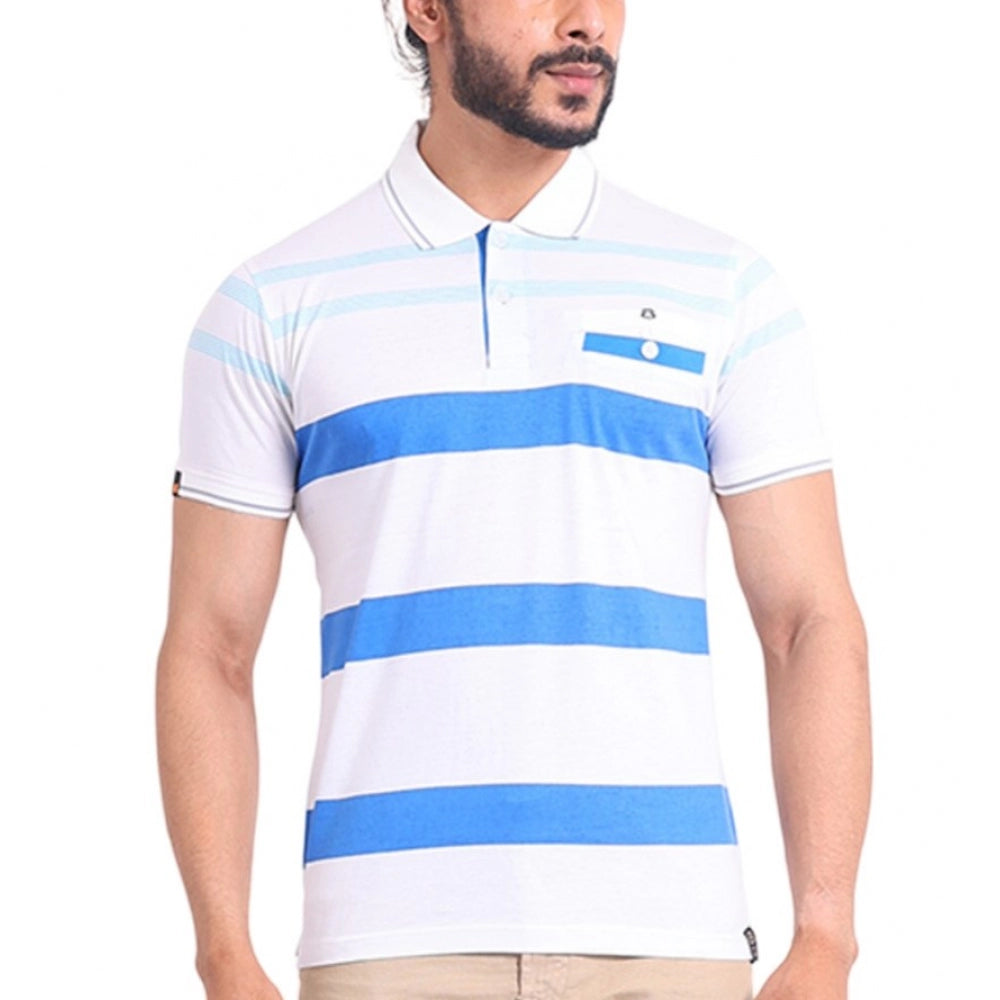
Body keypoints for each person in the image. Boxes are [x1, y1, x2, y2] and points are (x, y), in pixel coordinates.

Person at [156, 2, 872, 999]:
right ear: (426, 10)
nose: (588, 23)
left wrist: (826, 937)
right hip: (387, 944)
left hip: (668, 936)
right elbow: (211, 645)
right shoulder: (272, 302)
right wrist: (224, 954)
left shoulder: (724, 289)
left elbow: (808, 623)